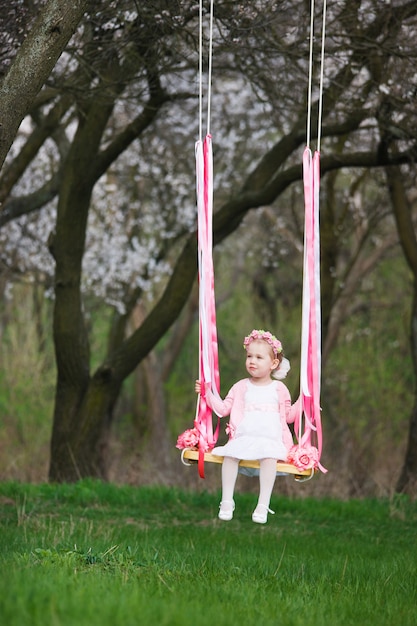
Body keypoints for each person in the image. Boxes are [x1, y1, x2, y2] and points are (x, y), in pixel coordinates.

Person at [195, 329, 299, 524]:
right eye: (249, 356)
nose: (252, 360)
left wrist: (305, 401)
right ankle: (226, 500)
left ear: (273, 364)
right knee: (230, 455)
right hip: (245, 437)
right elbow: (223, 409)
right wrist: (207, 394)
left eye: (259, 357)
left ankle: (263, 504)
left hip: (270, 439)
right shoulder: (241, 386)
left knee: (270, 458)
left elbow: (290, 416)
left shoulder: (279, 389)